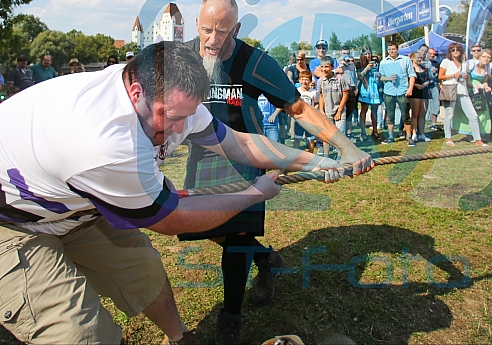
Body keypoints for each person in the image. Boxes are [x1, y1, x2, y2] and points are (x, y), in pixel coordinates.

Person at [0, 41, 344, 345]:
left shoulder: (169, 93)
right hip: (13, 222)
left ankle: (180, 338)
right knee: (83, 334)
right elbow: (173, 220)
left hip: (72, 203)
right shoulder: (106, 145)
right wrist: (254, 193)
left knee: (145, 273)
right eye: (172, 117)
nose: (179, 131)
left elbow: (238, 144)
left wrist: (313, 162)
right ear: (136, 93)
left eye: (188, 116)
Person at [184, 0, 372, 344]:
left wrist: (347, 147)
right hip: (203, 157)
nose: (213, 40)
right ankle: (268, 260)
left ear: (236, 29)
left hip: (248, 157)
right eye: (207, 29)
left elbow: (299, 110)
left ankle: (230, 317)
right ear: (197, 24)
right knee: (204, 228)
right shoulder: (182, 59)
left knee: (236, 238)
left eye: (222, 32)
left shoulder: (255, 63)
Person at [439, 43, 487, 147]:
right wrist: (454, 75)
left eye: (458, 50)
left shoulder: (464, 63)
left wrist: (466, 78)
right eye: (453, 50)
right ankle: (448, 138)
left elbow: (466, 77)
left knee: (473, 115)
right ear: (450, 52)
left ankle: (478, 140)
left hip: (463, 91)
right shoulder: (446, 62)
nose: (455, 52)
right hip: (450, 90)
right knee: (449, 115)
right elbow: (440, 76)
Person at [378, 41, 415, 145]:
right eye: (389, 49)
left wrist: (410, 89)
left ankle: (409, 137)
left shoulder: (406, 60)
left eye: (393, 49)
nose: (391, 51)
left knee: (405, 115)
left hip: (403, 91)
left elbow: (412, 75)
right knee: (390, 115)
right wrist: (388, 78)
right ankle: (390, 136)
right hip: (389, 92)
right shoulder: (383, 62)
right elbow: (380, 77)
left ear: (397, 49)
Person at [453, 48, 492, 139]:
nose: (486, 59)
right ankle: (469, 134)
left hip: (480, 92)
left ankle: (480, 133)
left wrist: (486, 86)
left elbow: (485, 80)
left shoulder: (487, 67)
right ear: (480, 56)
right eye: (484, 56)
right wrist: (473, 86)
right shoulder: (471, 64)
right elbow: (465, 78)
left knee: (482, 111)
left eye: (488, 57)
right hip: (469, 89)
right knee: (471, 112)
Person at [319, 56, 349, 158]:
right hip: (327, 112)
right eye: (322, 67)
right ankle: (326, 156)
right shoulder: (320, 81)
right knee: (326, 135)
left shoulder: (340, 79)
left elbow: (345, 95)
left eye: (327, 67)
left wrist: (339, 111)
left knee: (340, 134)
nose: (324, 69)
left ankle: (340, 156)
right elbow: (321, 96)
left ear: (332, 67)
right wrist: (321, 111)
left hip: (339, 111)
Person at [357, 46, 381, 141]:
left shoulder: (376, 62)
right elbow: (359, 76)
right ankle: (363, 132)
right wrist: (367, 68)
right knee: (364, 110)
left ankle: (375, 131)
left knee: (374, 110)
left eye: (369, 53)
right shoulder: (359, 64)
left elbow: (379, 74)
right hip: (365, 88)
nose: (368, 55)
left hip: (375, 88)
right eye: (366, 54)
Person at [409, 51, 432, 142]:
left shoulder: (424, 69)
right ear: (412, 58)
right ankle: (414, 133)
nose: (419, 59)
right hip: (414, 92)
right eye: (417, 57)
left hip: (424, 91)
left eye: (420, 57)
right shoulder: (410, 69)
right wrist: (415, 85)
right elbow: (408, 80)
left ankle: (422, 133)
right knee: (415, 114)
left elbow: (429, 79)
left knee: (422, 114)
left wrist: (424, 84)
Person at [294, 70, 319, 152]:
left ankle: (311, 157)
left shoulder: (313, 92)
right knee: (297, 138)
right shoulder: (296, 90)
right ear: (299, 80)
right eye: (302, 79)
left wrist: (313, 111)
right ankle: (295, 156)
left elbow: (317, 103)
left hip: (309, 119)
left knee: (311, 139)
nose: (304, 81)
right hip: (299, 118)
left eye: (306, 79)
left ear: (310, 80)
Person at [339, 47, 358, 140]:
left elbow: (354, 77)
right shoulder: (338, 64)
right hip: (342, 90)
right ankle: (342, 134)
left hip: (352, 89)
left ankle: (349, 133)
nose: (346, 55)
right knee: (343, 112)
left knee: (350, 112)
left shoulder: (352, 65)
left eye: (347, 53)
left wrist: (356, 88)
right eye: (344, 53)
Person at [425, 47, 443, 131]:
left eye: (434, 54)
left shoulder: (436, 63)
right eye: (431, 53)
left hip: (434, 85)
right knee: (425, 105)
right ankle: (424, 123)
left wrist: (440, 85)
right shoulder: (422, 63)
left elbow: (439, 76)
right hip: (424, 86)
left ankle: (434, 123)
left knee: (436, 104)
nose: (432, 55)